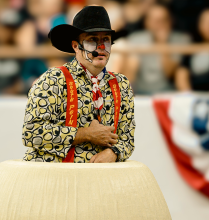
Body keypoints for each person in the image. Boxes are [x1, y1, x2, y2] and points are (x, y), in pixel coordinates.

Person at [22, 5, 135, 163]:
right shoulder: (53, 79)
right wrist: (87, 134)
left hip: (100, 181)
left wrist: (113, 153)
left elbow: (127, 139)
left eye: (106, 40)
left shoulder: (122, 84)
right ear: (75, 46)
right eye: (92, 40)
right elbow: (31, 133)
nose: (101, 47)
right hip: (55, 179)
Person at [124, 4, 191, 95]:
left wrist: (163, 43)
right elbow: (130, 71)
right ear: (147, 22)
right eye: (155, 20)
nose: (159, 24)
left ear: (170, 21)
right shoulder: (135, 38)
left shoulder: (181, 40)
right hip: (140, 90)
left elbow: (169, 73)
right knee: (131, 62)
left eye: (163, 20)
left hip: (168, 92)